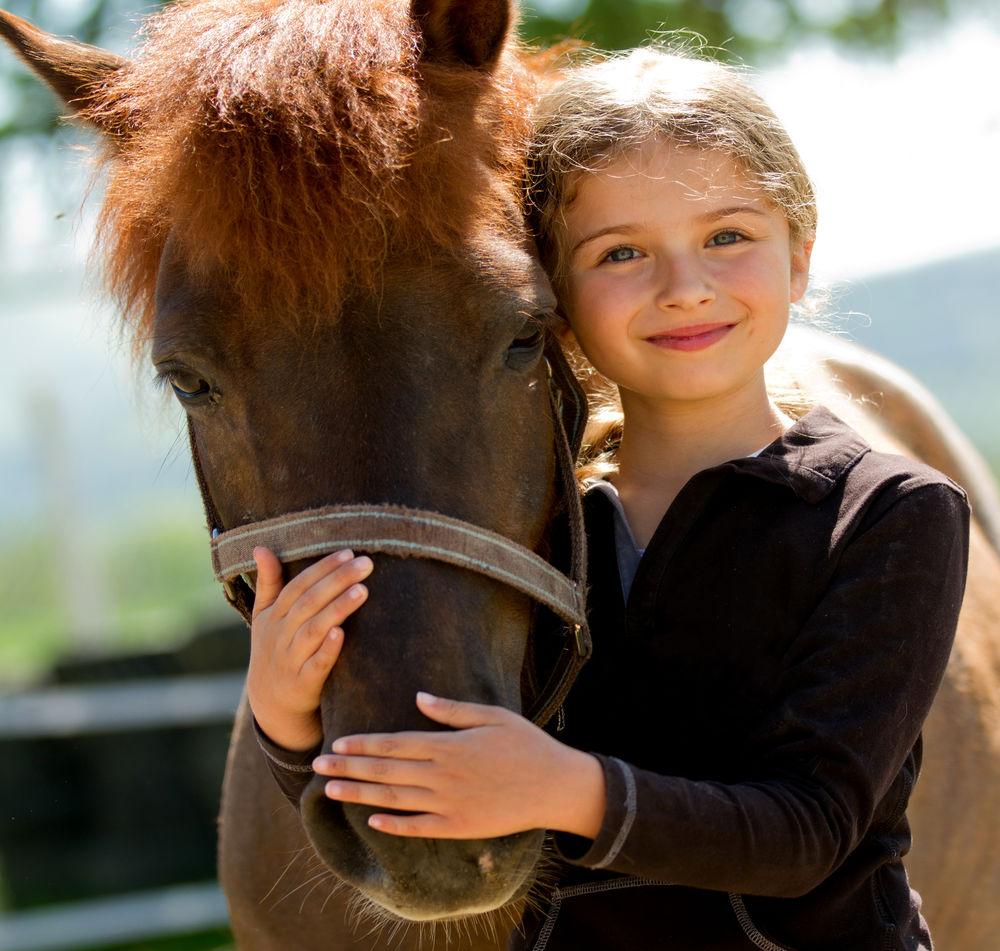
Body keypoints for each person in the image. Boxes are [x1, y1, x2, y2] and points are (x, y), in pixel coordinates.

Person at [246, 46, 970, 950]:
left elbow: (811, 832)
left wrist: (562, 786)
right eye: (621, 251)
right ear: (556, 292)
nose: (685, 286)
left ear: (799, 256)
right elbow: (413, 794)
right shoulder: (540, 535)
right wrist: (285, 719)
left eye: (728, 236)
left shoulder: (890, 512)